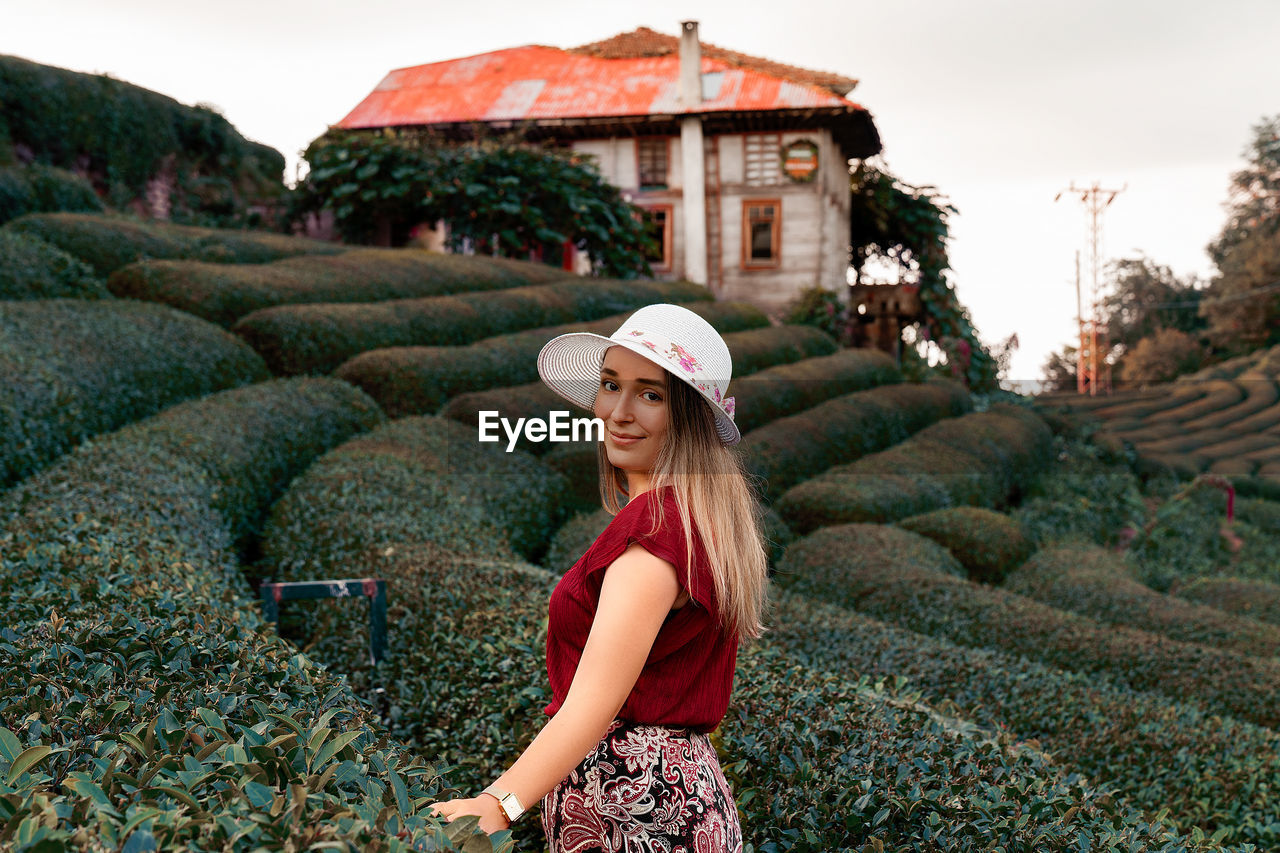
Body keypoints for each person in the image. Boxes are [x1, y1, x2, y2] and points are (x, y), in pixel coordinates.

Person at [429, 303, 769, 851]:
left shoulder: (655, 531)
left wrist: (498, 805)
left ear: (688, 417)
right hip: (662, 799)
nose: (619, 412)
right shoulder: (689, 519)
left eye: (651, 394)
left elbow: (594, 700)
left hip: (636, 813)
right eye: (611, 386)